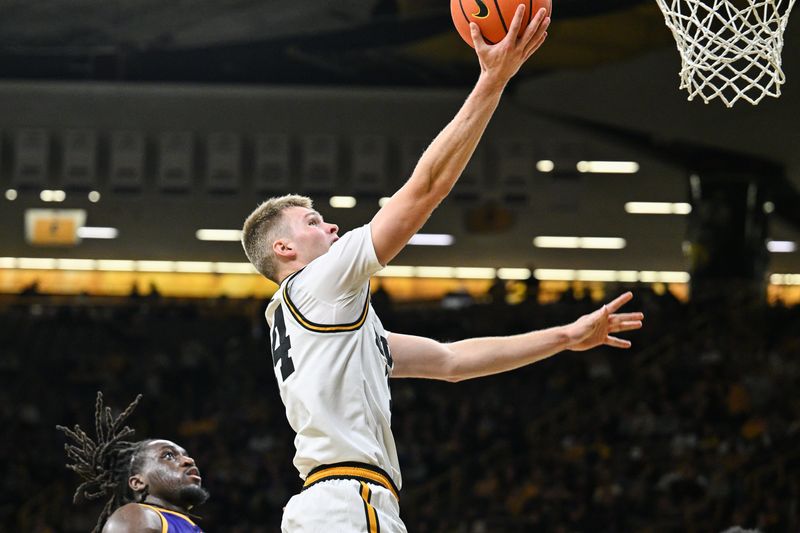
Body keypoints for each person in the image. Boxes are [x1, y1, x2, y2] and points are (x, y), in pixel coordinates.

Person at [241, 7, 642, 532]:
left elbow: (453, 360)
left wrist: (566, 336)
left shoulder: (322, 321)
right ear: (284, 250)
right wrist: (491, 82)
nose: (332, 228)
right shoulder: (318, 283)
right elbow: (424, 191)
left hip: (327, 505)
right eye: (313, 222)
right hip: (346, 502)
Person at [57, 392, 209, 533]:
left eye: (186, 455)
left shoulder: (185, 525)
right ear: (138, 482)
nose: (189, 461)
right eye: (168, 456)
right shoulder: (139, 516)